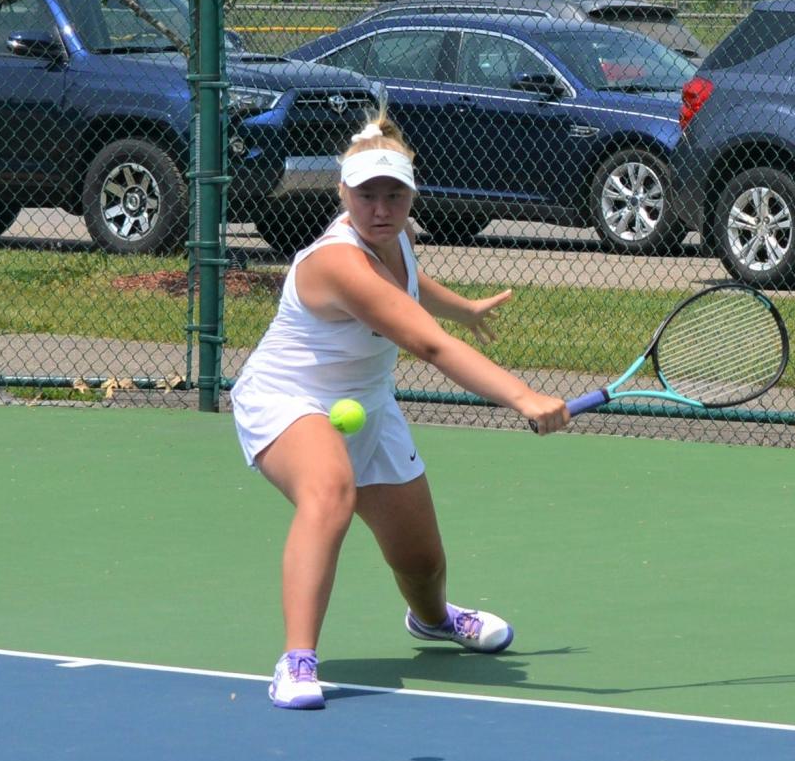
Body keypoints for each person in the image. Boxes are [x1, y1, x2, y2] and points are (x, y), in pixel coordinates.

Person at [230, 107, 570, 710]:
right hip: (289, 400)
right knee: (329, 491)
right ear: (342, 194)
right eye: (367, 196)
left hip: (369, 406)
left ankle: (434, 620)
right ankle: (297, 660)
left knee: (421, 560)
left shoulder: (397, 238)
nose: (381, 208)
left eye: (395, 194)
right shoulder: (337, 261)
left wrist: (461, 305)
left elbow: (408, 287)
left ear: (412, 194)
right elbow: (428, 345)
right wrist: (524, 396)